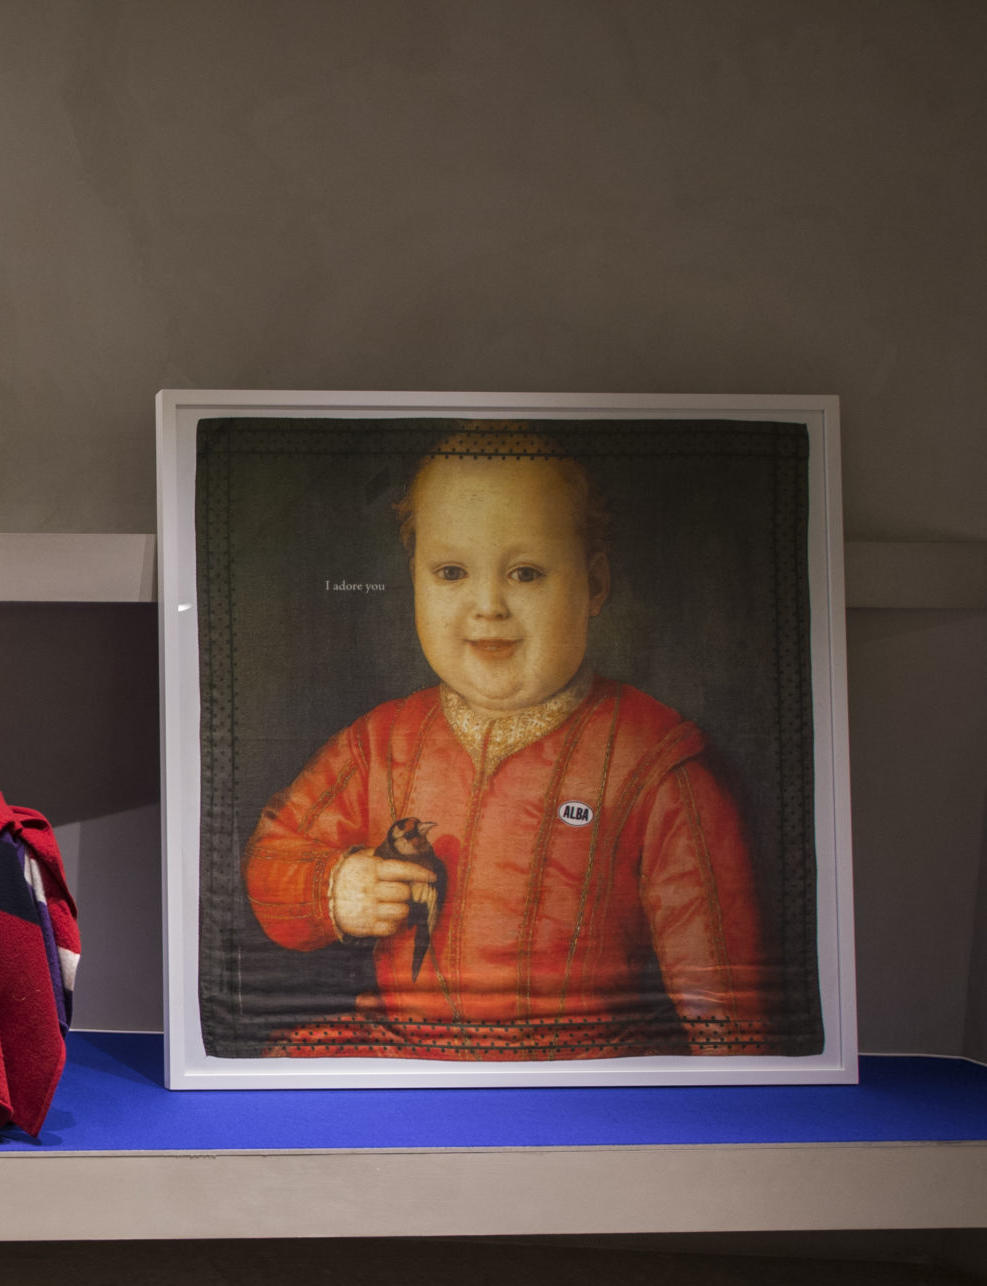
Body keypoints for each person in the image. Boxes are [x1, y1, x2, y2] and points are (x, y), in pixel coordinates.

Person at [242, 425, 774, 1059]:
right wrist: (336, 887)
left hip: (576, 1067)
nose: (488, 605)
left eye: (525, 573)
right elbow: (273, 859)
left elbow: (722, 993)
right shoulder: (379, 743)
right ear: (414, 580)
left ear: (595, 584)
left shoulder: (655, 761)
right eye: (451, 572)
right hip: (399, 1055)